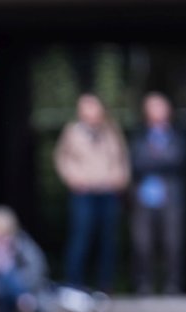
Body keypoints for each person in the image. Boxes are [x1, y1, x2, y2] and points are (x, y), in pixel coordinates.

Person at [54, 93, 130, 297]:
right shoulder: (72, 132)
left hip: (107, 191)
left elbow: (122, 158)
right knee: (81, 237)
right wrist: (73, 178)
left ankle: (106, 285)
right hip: (84, 192)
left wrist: (120, 178)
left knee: (108, 240)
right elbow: (62, 158)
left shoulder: (111, 131)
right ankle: (74, 284)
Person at [130, 92, 186, 295]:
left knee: (173, 243)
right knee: (143, 243)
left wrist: (152, 161)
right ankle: (143, 285)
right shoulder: (139, 136)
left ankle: (173, 285)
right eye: (153, 107)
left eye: (161, 107)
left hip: (171, 197)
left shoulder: (177, 135)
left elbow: (178, 161)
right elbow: (137, 163)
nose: (158, 112)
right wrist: (161, 160)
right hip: (145, 197)